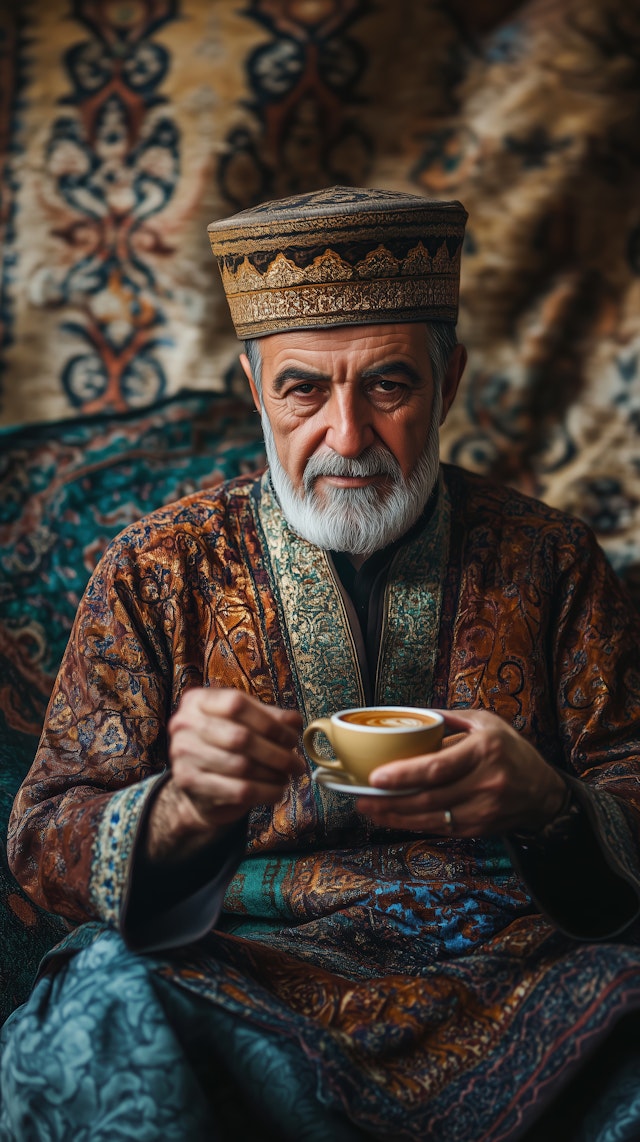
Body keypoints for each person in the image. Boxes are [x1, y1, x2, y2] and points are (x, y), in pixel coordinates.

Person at [1, 186, 640, 1142]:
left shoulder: (551, 562)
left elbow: (627, 784)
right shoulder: (153, 570)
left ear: (449, 380)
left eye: (388, 385)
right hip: (238, 970)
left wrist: (547, 801)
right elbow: (39, 837)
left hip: (516, 973)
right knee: (101, 1012)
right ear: (255, 388)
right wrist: (178, 809)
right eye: (305, 389)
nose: (346, 438)